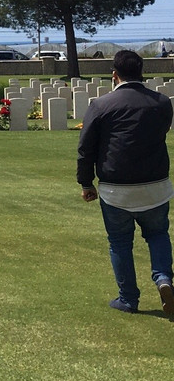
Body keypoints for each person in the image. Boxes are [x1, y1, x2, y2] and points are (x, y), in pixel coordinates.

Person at [78, 49, 174, 316]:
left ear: (114, 75)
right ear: (141, 72)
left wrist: (86, 183)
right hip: (155, 184)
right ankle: (164, 279)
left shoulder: (101, 105)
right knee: (157, 234)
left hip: (115, 187)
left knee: (120, 242)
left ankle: (128, 299)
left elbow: (86, 148)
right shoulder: (162, 102)